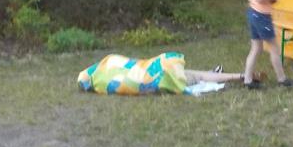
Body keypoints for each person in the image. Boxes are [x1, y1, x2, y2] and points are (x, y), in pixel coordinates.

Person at [77, 52, 246, 95]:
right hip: (161, 72)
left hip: (156, 71)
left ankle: (235, 76)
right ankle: (238, 76)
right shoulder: (107, 63)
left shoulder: (101, 80)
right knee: (194, 75)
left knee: (193, 75)